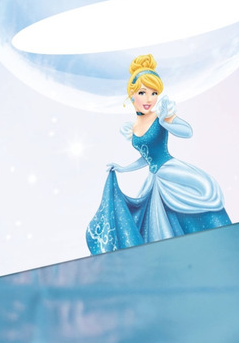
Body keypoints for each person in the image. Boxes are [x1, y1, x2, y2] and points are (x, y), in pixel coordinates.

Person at [86, 54, 231, 254]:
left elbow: (187, 132)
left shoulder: (160, 116)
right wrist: (123, 168)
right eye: (143, 92)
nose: (149, 99)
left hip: (170, 171)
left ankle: (213, 247)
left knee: (188, 212)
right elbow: (146, 158)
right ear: (132, 94)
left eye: (154, 93)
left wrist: (166, 122)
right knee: (159, 225)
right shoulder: (134, 127)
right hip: (154, 179)